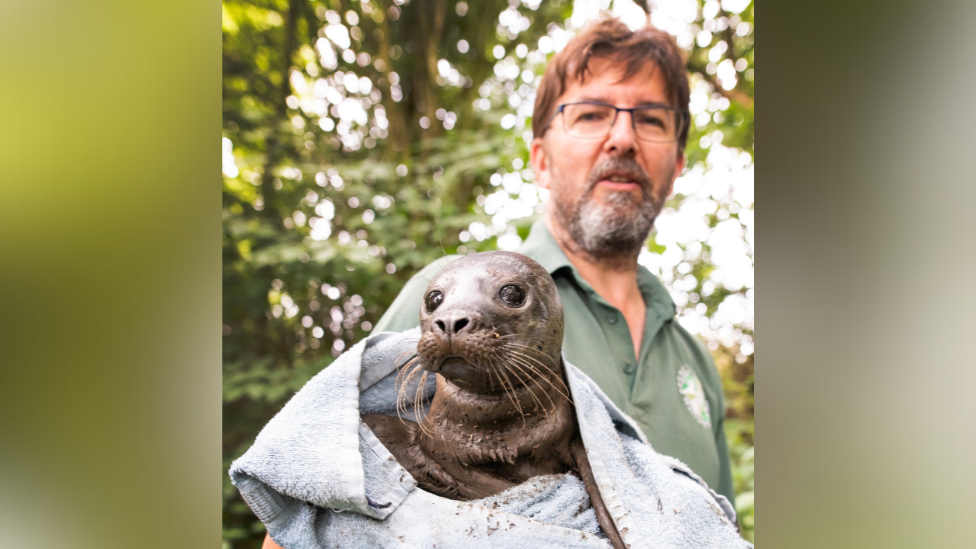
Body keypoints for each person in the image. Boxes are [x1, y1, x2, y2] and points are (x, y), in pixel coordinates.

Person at [373, 16, 736, 505]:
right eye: (591, 114)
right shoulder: (444, 300)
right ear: (540, 160)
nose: (623, 138)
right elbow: (315, 508)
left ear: (675, 169)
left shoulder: (694, 361)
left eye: (651, 119)